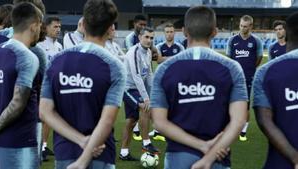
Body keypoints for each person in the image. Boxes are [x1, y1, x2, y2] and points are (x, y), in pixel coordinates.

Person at [151, 6, 248, 169]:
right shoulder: (232, 68)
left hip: (178, 156)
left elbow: (159, 122)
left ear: (184, 31)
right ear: (215, 32)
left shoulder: (164, 69)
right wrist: (209, 153)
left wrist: (201, 146)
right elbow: (239, 120)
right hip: (218, 155)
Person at [39, 0, 126, 168]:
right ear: (110, 29)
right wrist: (84, 157)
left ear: (83, 24)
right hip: (101, 152)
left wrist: (82, 141)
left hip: (65, 150)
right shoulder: (114, 66)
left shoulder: (56, 61)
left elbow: (44, 111)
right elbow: (107, 120)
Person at [0, 2, 43, 168]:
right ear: (33, 26)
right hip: (20, 141)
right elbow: (17, 104)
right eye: (40, 25)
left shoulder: (0, 50)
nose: (40, 29)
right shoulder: (27, 57)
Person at [253, 12, 298, 169]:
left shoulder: (265, 72)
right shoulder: (270, 59)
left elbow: (264, 120)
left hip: (280, 162)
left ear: (287, 34)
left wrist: (295, 157)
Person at [119, 27, 159, 161]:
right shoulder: (134, 52)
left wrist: (152, 95)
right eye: (147, 37)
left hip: (136, 88)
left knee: (131, 121)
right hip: (127, 88)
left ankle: (124, 153)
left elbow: (148, 75)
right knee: (144, 107)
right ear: (140, 37)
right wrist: (147, 99)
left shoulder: (147, 52)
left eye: (152, 38)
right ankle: (146, 143)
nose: (149, 40)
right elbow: (136, 76)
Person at [226, 15, 263, 141]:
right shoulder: (232, 40)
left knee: (246, 105)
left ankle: (243, 132)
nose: (242, 28)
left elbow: (258, 58)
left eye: (245, 26)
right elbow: (228, 59)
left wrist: (250, 69)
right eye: (241, 25)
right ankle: (230, 127)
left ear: (251, 26)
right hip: (234, 78)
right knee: (230, 102)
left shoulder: (256, 41)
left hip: (248, 78)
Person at [37, 15, 63, 161]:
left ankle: (44, 145)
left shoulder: (59, 46)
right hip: (41, 87)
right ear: (45, 27)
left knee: (50, 118)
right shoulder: (39, 45)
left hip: (55, 86)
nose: (58, 29)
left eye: (59, 27)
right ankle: (39, 147)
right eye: (55, 26)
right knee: (41, 118)